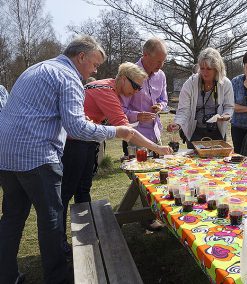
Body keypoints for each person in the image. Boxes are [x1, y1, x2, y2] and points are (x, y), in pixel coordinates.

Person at [0, 35, 136, 284]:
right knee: (51, 219)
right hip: (37, 157)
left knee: (12, 218)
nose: (94, 70)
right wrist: (116, 131)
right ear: (81, 57)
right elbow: (76, 127)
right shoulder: (68, 76)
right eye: (94, 64)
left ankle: (6, 275)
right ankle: (58, 278)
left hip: (6, 157)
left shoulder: (37, 68)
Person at [61, 62, 173, 256]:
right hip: (75, 143)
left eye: (140, 87)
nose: (137, 91)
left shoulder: (107, 86)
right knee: (66, 194)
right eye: (135, 86)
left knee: (82, 190)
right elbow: (126, 132)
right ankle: (61, 245)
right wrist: (157, 148)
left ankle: (86, 237)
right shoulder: (106, 91)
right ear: (122, 79)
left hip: (85, 141)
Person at [167, 47, 234, 148]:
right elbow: (184, 109)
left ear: (217, 68)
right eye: (202, 68)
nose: (204, 72)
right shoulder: (190, 83)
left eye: (209, 69)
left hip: (217, 132)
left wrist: (226, 115)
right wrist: (178, 124)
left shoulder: (225, 83)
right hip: (195, 132)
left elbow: (229, 106)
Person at [121, 37, 168, 155]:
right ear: (145, 55)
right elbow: (120, 109)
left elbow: (164, 99)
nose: (161, 65)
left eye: (163, 61)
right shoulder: (129, 74)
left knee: (159, 168)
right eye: (158, 61)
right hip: (135, 135)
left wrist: (160, 106)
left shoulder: (161, 75)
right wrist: (138, 116)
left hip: (156, 132)